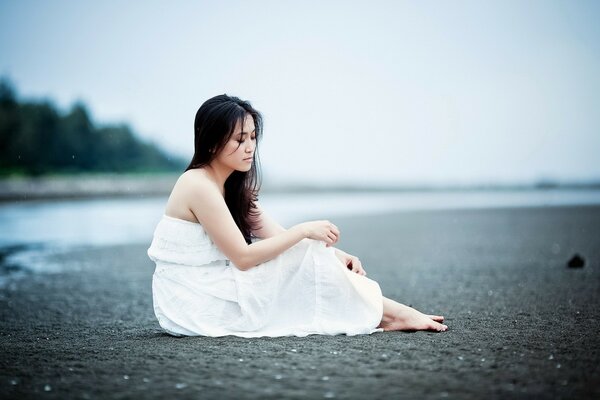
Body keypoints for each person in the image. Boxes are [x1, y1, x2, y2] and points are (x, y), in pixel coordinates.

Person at [147, 94, 448, 337]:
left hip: (213, 287)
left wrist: (334, 254)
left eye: (253, 137)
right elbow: (243, 257)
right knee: (296, 254)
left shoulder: (232, 187)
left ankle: (387, 313)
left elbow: (278, 237)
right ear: (212, 142)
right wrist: (305, 231)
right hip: (193, 301)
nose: (250, 147)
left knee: (305, 253)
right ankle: (392, 314)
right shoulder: (197, 184)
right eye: (239, 140)